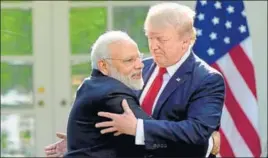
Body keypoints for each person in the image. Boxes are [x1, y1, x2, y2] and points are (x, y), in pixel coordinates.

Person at [45, 2, 224, 158]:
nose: (153, 46)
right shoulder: (138, 68)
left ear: (185, 41)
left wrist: (139, 128)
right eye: (150, 37)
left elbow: (195, 132)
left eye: (161, 39)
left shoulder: (207, 79)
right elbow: (113, 116)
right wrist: (85, 139)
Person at [64, 30, 152, 157]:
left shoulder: (90, 85)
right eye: (129, 60)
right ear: (103, 66)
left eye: (139, 57)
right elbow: (153, 137)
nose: (140, 65)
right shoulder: (113, 93)